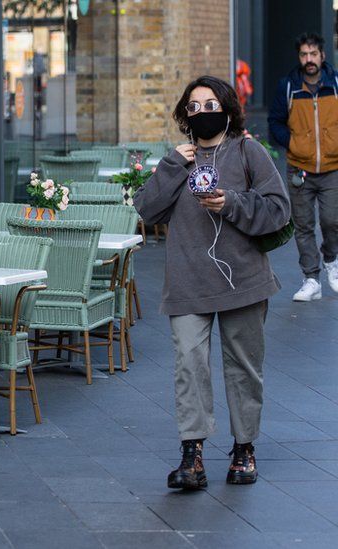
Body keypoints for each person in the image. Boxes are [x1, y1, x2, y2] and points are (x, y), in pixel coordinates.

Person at [134, 76, 291, 490]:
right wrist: (171, 166)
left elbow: (279, 209)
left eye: (210, 105)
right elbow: (147, 210)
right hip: (187, 280)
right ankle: (193, 454)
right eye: (193, 107)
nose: (202, 113)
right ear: (185, 115)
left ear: (226, 108)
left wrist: (232, 203)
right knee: (189, 365)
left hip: (243, 279)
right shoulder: (177, 160)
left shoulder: (247, 151)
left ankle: (244, 448)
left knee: (243, 368)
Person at [268, 32, 338, 301]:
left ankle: (331, 258)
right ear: (299, 57)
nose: (308, 60)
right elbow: (275, 122)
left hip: (332, 166)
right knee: (304, 224)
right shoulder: (288, 86)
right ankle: (311, 279)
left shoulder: (334, 84)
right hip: (300, 168)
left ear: (322, 56)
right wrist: (294, 143)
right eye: (303, 55)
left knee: (332, 222)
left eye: (313, 54)